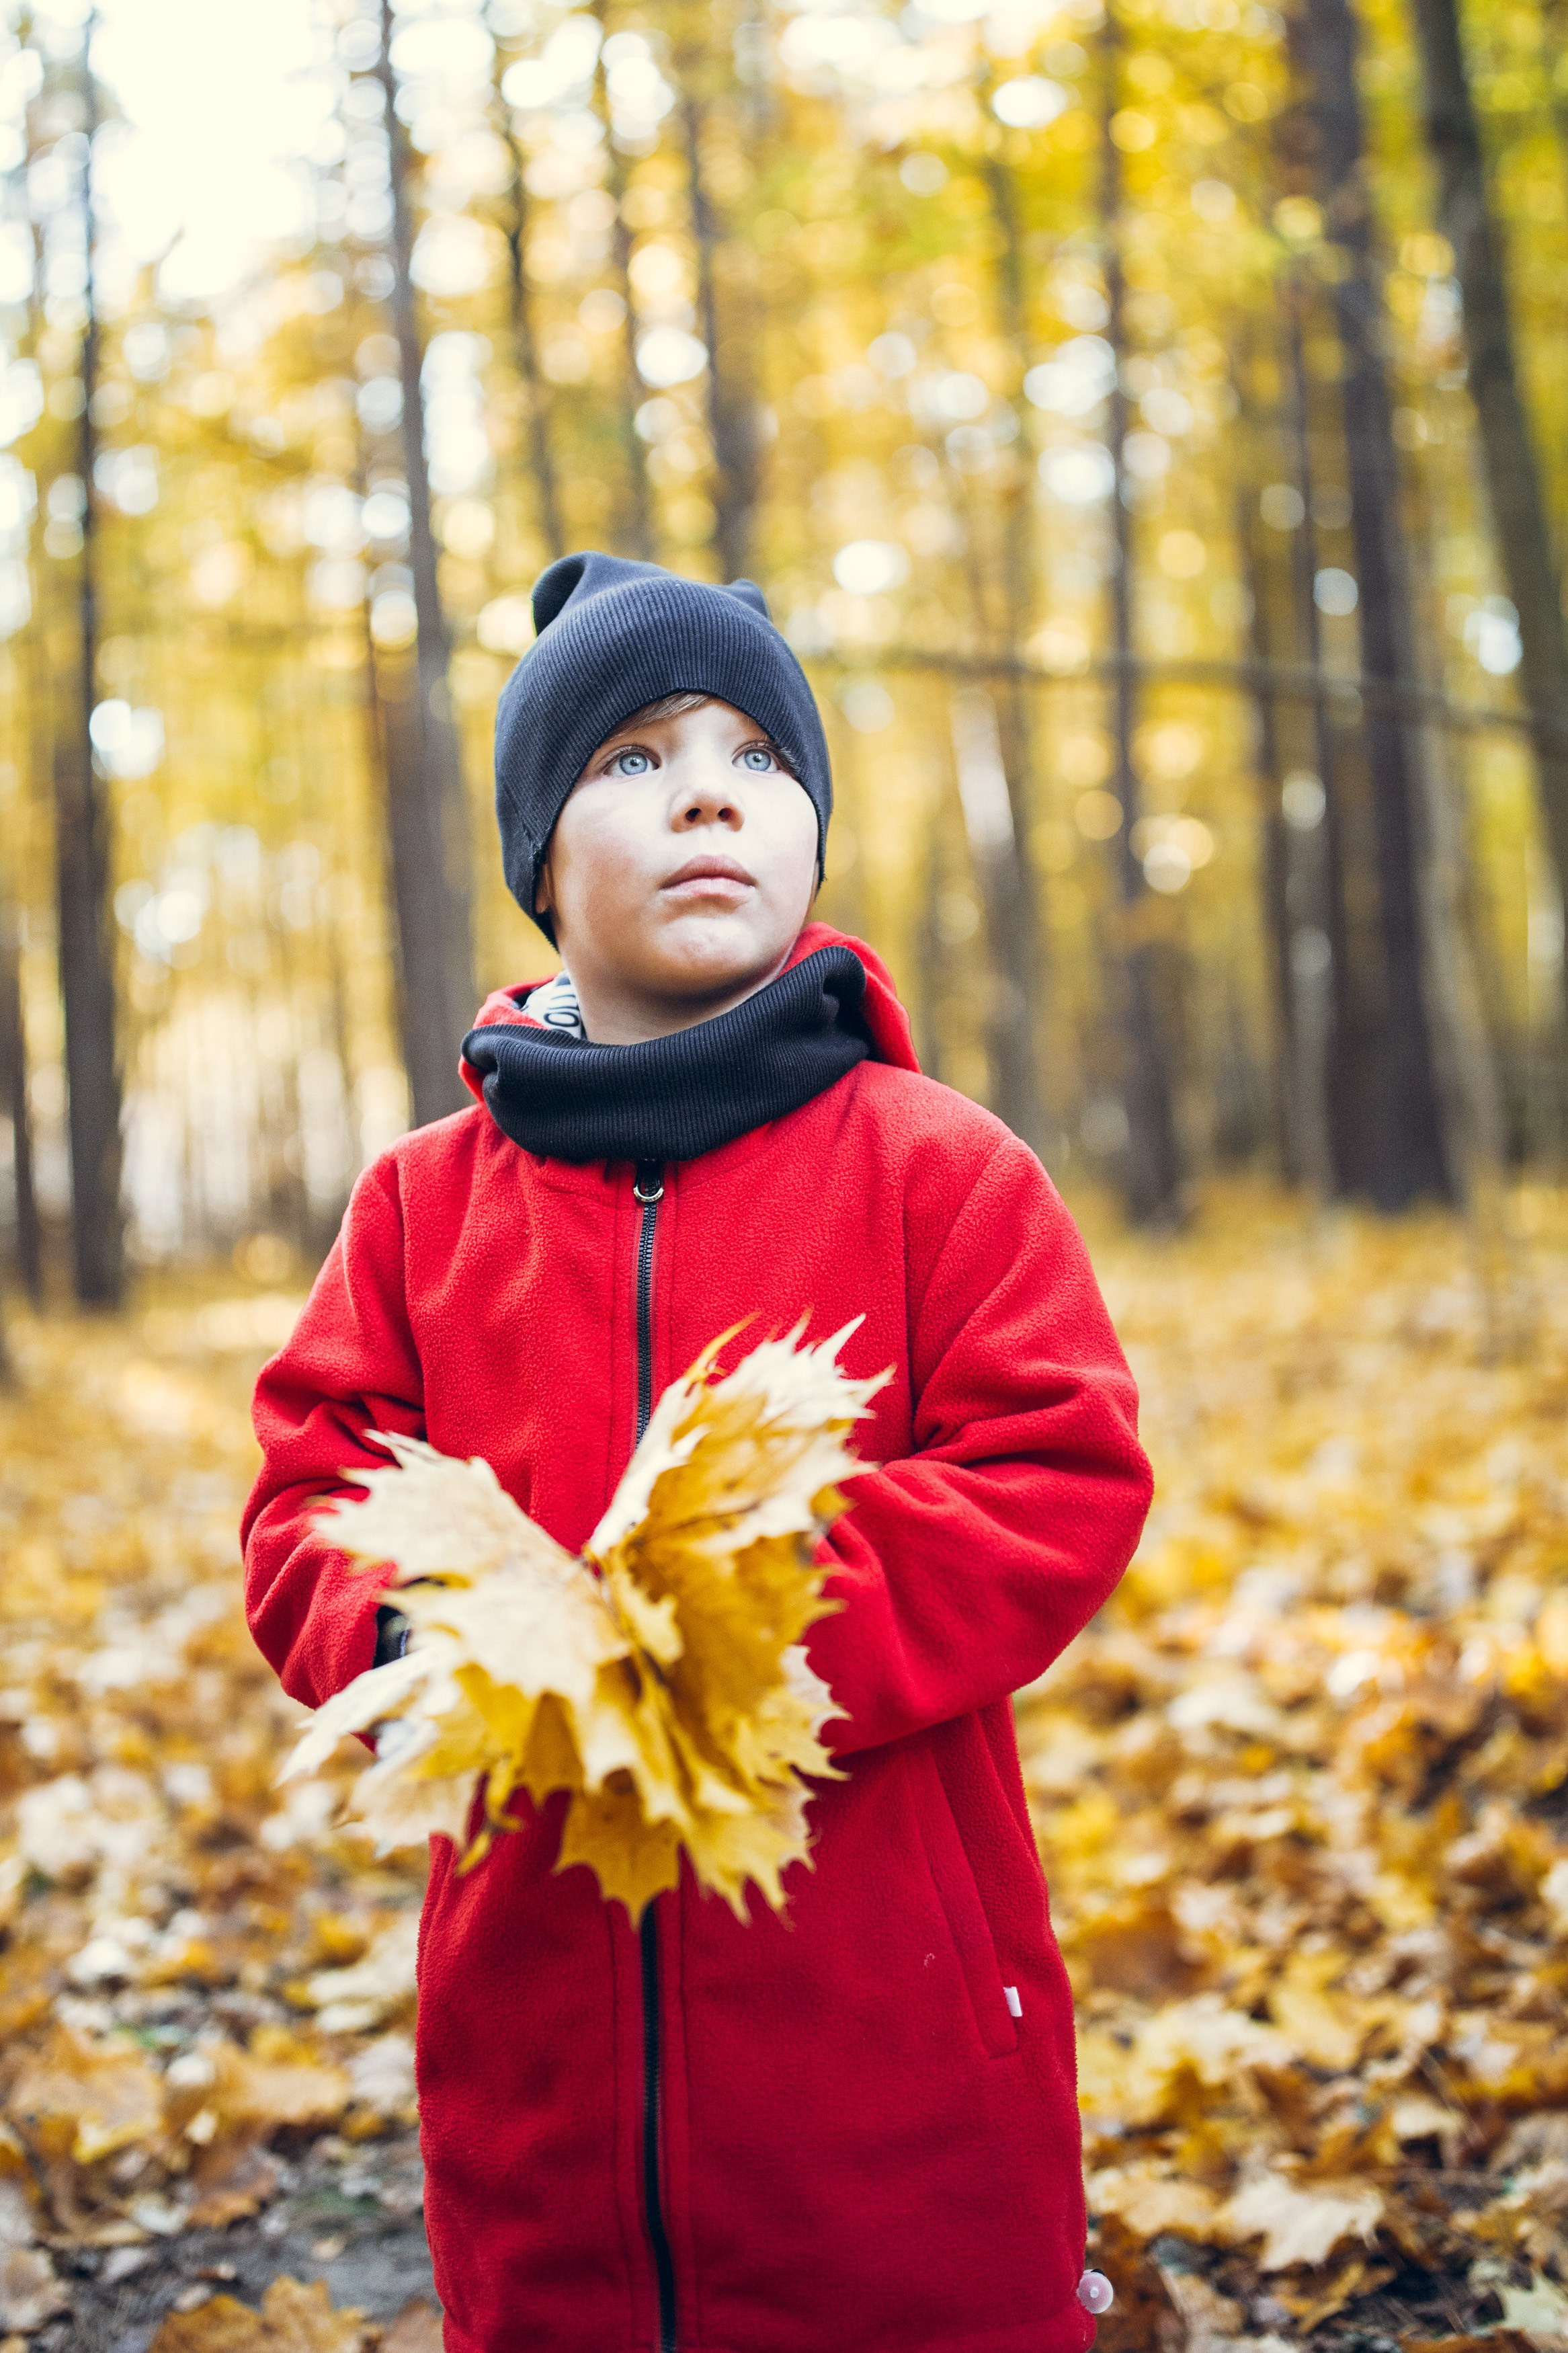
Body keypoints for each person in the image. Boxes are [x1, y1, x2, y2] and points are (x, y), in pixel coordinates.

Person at [243, 551, 1153, 2353]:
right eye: (634, 758)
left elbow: (1058, 1464)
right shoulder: (425, 1206)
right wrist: (440, 1632)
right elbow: (308, 1491)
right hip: (544, 2077)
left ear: (811, 829)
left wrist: (738, 1619)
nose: (711, 788)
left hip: (893, 2071)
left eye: (756, 752)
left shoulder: (935, 1166)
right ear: (541, 856)